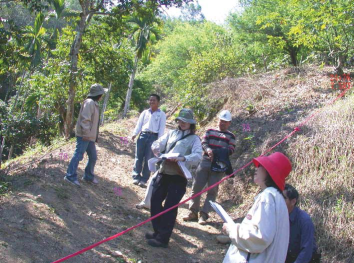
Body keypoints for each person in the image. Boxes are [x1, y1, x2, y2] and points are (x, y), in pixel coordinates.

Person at [145, 108, 203, 248]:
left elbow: (198, 156)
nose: (182, 123)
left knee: (170, 208)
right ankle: (158, 231)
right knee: (155, 201)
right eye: (180, 120)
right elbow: (158, 143)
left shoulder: (194, 139)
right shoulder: (172, 133)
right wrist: (156, 149)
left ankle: (163, 239)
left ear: (191, 124)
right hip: (163, 171)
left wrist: (183, 158)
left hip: (178, 177)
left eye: (185, 121)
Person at [222, 152, 292, 263]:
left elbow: (259, 237)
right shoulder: (278, 199)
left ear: (270, 172)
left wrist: (232, 229)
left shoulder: (268, 197)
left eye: (261, 166)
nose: (256, 168)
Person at [183, 110, 236, 225]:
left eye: (225, 122)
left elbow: (231, 149)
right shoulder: (210, 131)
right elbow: (204, 142)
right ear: (218, 120)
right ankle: (193, 212)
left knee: (212, 190)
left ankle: (204, 214)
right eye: (221, 121)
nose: (222, 123)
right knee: (196, 186)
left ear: (229, 123)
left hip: (219, 165)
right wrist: (208, 150)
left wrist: (216, 153)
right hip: (205, 161)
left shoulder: (231, 136)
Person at [64, 83, 107, 186]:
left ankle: (88, 176)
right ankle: (70, 176)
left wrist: (94, 136)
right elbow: (85, 119)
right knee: (78, 155)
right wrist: (86, 133)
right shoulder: (89, 103)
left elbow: (94, 122)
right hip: (84, 135)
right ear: (98, 94)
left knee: (93, 156)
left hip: (90, 136)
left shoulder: (94, 103)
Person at [131, 94, 166, 188]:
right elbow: (139, 124)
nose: (151, 102)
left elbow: (161, 129)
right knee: (138, 156)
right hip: (143, 135)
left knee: (148, 159)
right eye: (150, 100)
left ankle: (144, 179)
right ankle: (136, 176)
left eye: (154, 100)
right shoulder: (145, 112)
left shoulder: (161, 114)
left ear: (158, 102)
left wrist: (159, 142)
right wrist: (135, 134)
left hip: (153, 137)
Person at [284, 184, 321, 263]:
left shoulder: (304, 220)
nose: (279, 201)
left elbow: (307, 250)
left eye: (283, 198)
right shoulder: (278, 218)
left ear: (293, 201)